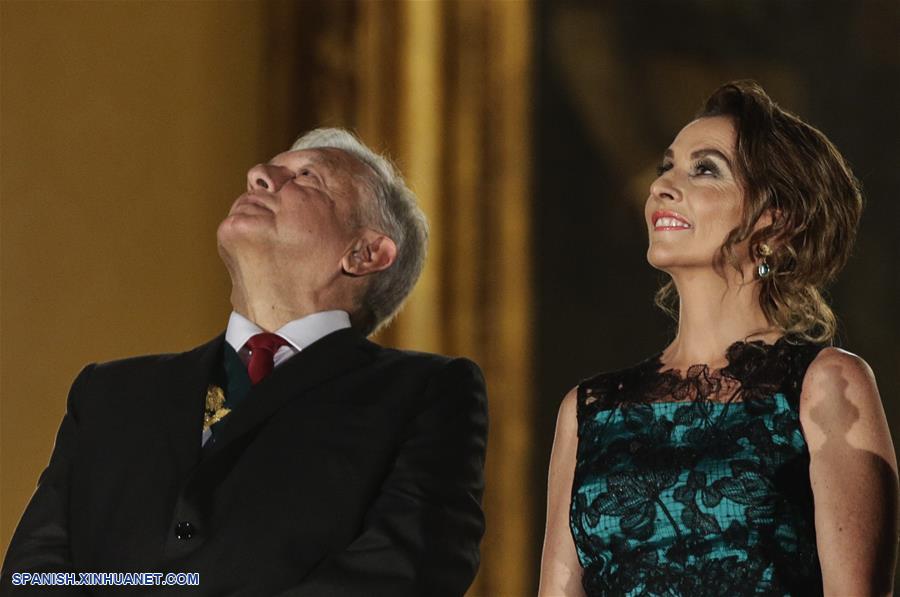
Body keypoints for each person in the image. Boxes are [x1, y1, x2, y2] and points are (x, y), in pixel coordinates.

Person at [1, 128, 488, 596]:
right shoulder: (108, 393)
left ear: (363, 253)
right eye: (268, 169)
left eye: (305, 177)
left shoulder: (427, 394)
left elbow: (404, 569)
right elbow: (34, 577)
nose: (258, 174)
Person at [539, 81, 898, 595]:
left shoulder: (825, 384)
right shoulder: (588, 410)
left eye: (704, 169)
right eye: (666, 166)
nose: (660, 185)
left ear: (776, 221)